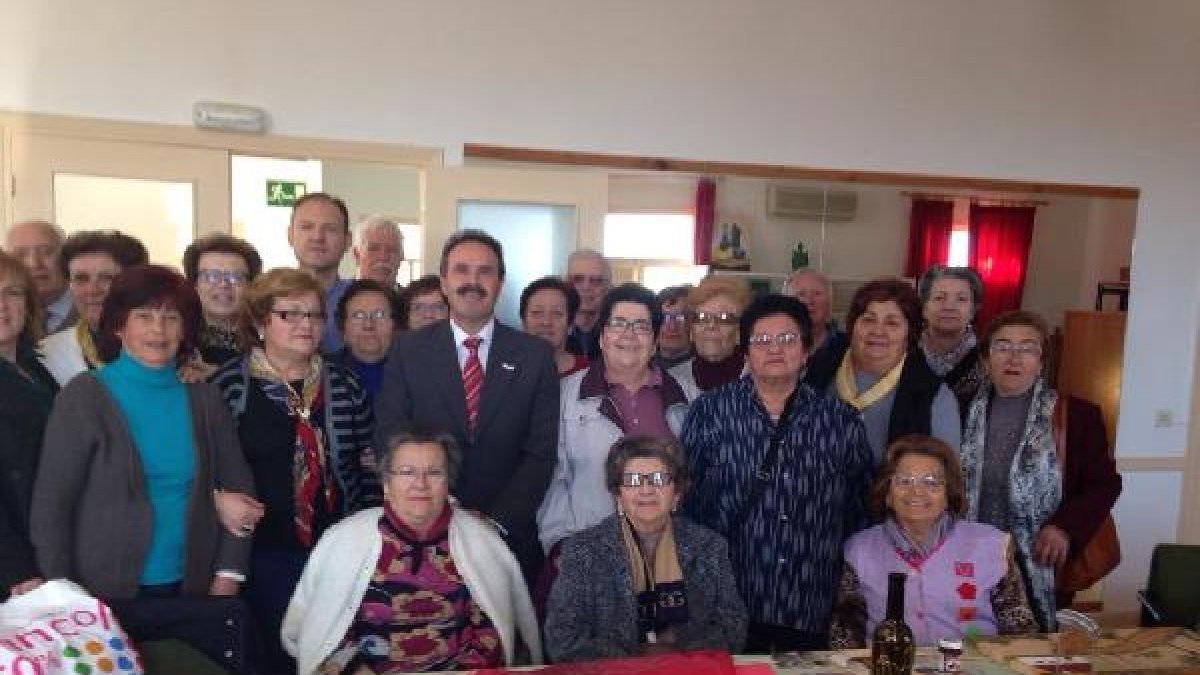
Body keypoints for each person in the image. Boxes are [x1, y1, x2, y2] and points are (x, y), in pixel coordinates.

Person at [30, 264, 257, 600]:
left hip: (193, 588)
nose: (158, 330)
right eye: (144, 317)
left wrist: (228, 575)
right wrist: (61, 591)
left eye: (171, 318)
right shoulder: (84, 396)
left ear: (185, 330)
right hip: (100, 595)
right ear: (119, 325)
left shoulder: (204, 398)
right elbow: (52, 505)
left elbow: (240, 490)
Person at [210, 267, 381, 671]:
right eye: (291, 314)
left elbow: (366, 469)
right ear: (259, 322)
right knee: (270, 656)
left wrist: (370, 542)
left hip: (337, 547)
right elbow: (205, 469)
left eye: (315, 315)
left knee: (333, 656)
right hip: (260, 554)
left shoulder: (344, 384)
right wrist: (215, 497)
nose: (306, 324)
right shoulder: (226, 387)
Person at [682, 294, 873, 652]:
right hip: (731, 595)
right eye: (762, 340)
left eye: (787, 340)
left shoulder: (840, 419)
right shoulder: (709, 412)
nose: (774, 349)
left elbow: (858, 509)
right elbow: (688, 503)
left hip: (810, 598)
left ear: (805, 352)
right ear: (746, 351)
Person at [375, 230, 559, 581]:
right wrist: (441, 511)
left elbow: (541, 453)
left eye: (485, 271)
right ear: (444, 281)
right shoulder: (408, 350)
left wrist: (495, 522)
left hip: (507, 536)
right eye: (461, 270)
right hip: (423, 533)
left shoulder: (534, 356)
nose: (472, 281)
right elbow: (391, 434)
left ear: (500, 283)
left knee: (501, 635)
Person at [282, 429, 542, 675]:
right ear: (386, 484)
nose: (421, 484)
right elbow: (326, 634)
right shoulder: (344, 540)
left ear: (447, 483)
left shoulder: (481, 540)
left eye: (434, 472)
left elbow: (492, 633)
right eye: (407, 472)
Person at [959, 310, 1122, 631]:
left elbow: (1103, 484)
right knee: (972, 638)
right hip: (970, 556)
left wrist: (1063, 528)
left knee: (1034, 651)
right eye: (1003, 346)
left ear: (1042, 362)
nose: (1014, 358)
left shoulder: (1076, 415)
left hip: (1042, 558)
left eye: (1028, 348)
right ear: (986, 358)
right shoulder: (959, 408)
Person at [546, 435, 747, 661]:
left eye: (659, 479)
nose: (646, 489)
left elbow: (734, 628)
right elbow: (561, 639)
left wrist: (675, 649)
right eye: (632, 480)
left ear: (677, 494)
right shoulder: (582, 552)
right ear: (618, 495)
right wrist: (637, 655)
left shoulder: (710, 547)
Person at [829, 435, 1037, 648]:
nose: (917, 491)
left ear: (948, 493)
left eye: (931, 482)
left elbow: (1021, 633)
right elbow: (845, 637)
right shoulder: (859, 550)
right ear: (887, 493)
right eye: (904, 481)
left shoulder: (991, 545)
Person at [539, 282, 700, 551]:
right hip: (588, 548)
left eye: (641, 326)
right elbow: (552, 475)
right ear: (601, 337)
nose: (629, 334)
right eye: (618, 323)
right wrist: (560, 541)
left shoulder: (686, 397)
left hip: (667, 550)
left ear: (654, 341)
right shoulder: (565, 394)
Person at [830, 277, 961, 464]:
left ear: (910, 335)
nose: (878, 331)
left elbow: (944, 474)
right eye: (868, 320)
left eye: (892, 323)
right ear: (853, 326)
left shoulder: (935, 397)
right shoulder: (818, 372)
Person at [0, 251, 58, 599]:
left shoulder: (34, 369)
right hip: (13, 568)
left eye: (12, 292)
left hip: (43, 542)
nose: (2, 305)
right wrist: (15, 568)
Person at [38, 230, 148, 384]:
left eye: (107, 278)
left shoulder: (167, 345)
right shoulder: (47, 354)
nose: (92, 290)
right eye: (81, 279)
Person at [181, 233, 263, 375]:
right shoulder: (178, 337)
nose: (224, 284)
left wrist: (221, 376)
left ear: (250, 286)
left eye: (236, 277)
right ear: (194, 284)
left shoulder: (267, 337)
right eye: (211, 276)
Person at [288, 192, 352, 353]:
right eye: (307, 227)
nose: (317, 237)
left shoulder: (361, 301)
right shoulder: (266, 298)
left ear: (347, 241)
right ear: (290, 235)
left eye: (330, 229)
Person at [918, 265, 987, 414]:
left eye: (961, 299)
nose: (949, 306)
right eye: (939, 298)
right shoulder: (902, 352)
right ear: (924, 307)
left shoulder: (988, 360)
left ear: (974, 310)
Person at [669, 275, 753, 392]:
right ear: (691, 328)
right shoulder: (670, 381)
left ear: (740, 329)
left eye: (724, 318)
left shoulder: (761, 378)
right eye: (702, 317)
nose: (711, 326)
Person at [331, 279, 400, 401]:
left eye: (379, 315)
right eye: (358, 316)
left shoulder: (414, 372)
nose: (368, 325)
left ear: (395, 324)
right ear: (343, 327)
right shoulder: (322, 375)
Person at [4, 220, 75, 334]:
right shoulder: (5, 318)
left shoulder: (97, 312)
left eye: (46, 252)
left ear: (68, 257)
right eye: (20, 255)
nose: (34, 263)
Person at [783, 268, 848, 391]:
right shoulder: (769, 346)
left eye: (817, 294)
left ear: (830, 302)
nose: (809, 301)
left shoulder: (849, 348)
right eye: (801, 294)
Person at [520, 275, 588, 377]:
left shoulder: (589, 373)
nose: (546, 322)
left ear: (570, 325)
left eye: (557, 314)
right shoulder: (504, 369)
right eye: (537, 313)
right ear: (523, 322)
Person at [564, 248, 612, 359]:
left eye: (596, 280)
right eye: (578, 279)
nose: (586, 287)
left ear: (608, 286)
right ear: (566, 284)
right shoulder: (552, 333)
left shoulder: (620, 335)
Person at [352, 215, 404, 288]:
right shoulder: (337, 297)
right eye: (373, 249)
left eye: (391, 250)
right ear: (356, 255)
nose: (383, 257)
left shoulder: (410, 299)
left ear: (401, 257)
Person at [655, 284, 693, 369]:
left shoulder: (707, 368)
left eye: (680, 318)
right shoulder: (638, 366)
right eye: (665, 317)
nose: (672, 327)